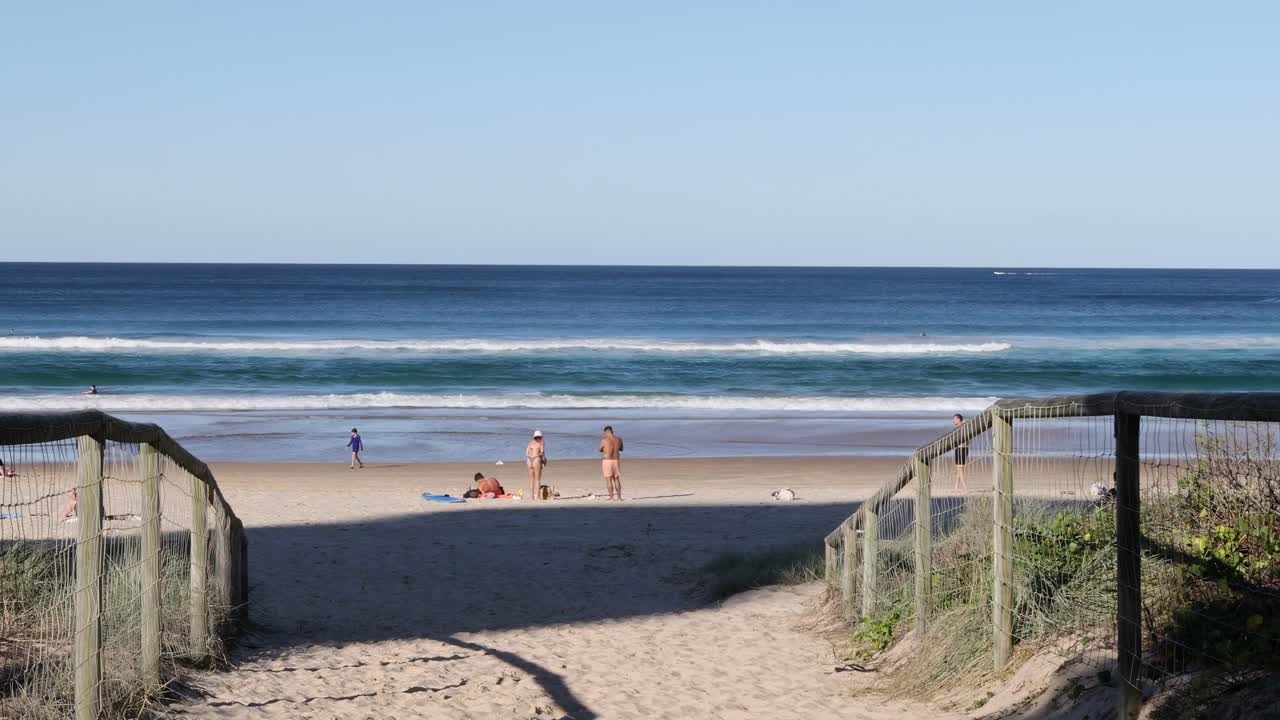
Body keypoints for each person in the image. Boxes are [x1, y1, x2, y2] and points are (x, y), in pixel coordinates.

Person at [599, 425, 624, 500]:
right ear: (612, 431)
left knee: (608, 479)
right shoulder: (619, 439)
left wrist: (605, 449)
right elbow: (621, 449)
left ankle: (611, 496)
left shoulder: (604, 440)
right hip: (616, 460)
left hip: (607, 461)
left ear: (606, 432)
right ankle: (619, 497)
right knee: (616, 478)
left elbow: (599, 449)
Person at [525, 430, 547, 499]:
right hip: (536, 459)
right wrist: (544, 460)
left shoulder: (530, 442)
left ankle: (531, 496)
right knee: (538, 479)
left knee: (531, 479)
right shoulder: (541, 443)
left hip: (529, 459)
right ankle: (538, 496)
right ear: (540, 436)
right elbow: (542, 452)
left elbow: (526, 452)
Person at [952, 413, 968, 492]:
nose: (953, 421)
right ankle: (956, 487)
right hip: (964, 449)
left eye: (954, 419)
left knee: (960, 469)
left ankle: (965, 488)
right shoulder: (966, 427)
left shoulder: (961, 428)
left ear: (958, 419)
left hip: (960, 450)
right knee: (959, 469)